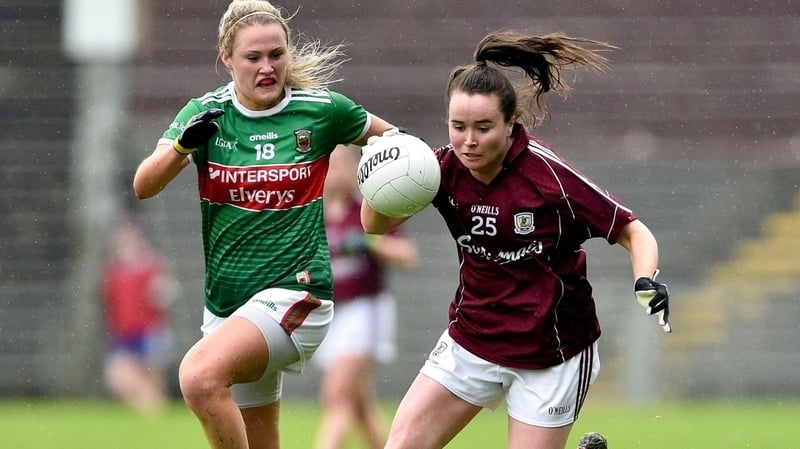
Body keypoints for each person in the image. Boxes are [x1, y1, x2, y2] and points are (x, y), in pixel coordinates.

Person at [360, 30, 671, 449]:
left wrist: (645, 280)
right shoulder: (437, 168)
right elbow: (374, 225)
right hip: (471, 339)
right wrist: (380, 181)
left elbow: (632, 231)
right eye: (458, 127)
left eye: (483, 128)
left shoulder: (546, 175)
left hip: (551, 352)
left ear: (510, 126)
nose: (468, 141)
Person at [132, 1, 398, 448]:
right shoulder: (206, 113)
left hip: (298, 293)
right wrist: (181, 147)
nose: (268, 67)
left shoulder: (321, 109)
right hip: (228, 306)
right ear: (227, 59)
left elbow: (397, 146)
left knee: (198, 377)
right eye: (253, 58)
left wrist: (385, 209)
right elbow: (143, 185)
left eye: (276, 54)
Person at [313, 146, 419, 449]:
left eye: (343, 165)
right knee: (360, 406)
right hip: (327, 315)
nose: (336, 172)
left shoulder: (370, 209)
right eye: (329, 165)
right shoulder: (312, 214)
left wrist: (368, 241)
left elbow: (407, 255)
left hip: (363, 310)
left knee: (336, 395)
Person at [100, 217, 177, 415]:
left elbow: (164, 294)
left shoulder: (149, 264)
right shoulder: (115, 268)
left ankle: (155, 418)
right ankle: (153, 413)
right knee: (120, 377)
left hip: (147, 331)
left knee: (151, 379)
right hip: (125, 333)